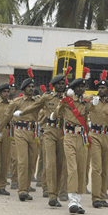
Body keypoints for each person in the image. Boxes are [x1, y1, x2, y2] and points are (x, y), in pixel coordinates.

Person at [18, 69, 69, 207]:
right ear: (54, 85)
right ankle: (52, 195)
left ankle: (58, 192)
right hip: (49, 131)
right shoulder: (47, 98)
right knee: (50, 163)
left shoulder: (69, 98)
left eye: (63, 83)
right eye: (58, 84)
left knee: (61, 164)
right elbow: (35, 107)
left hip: (63, 132)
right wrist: (22, 113)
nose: (61, 86)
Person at [0, 69, 41, 202]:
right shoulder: (17, 102)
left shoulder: (37, 101)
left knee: (32, 162)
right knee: (23, 161)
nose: (31, 88)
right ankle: (22, 190)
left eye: (33, 86)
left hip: (33, 133)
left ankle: (26, 189)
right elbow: (7, 116)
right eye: (29, 87)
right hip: (20, 131)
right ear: (24, 89)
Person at [54, 68, 92, 214]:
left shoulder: (86, 101)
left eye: (83, 86)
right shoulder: (67, 101)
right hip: (69, 136)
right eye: (78, 87)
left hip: (82, 138)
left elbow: (93, 105)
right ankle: (72, 201)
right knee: (73, 169)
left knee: (82, 169)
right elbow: (55, 115)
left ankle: (78, 201)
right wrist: (64, 101)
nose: (81, 89)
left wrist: (94, 101)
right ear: (73, 89)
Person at [87, 70, 108, 209]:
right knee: (97, 168)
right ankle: (96, 197)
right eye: (99, 87)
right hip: (94, 135)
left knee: (105, 168)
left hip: (107, 136)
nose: (100, 90)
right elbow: (84, 104)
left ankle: (103, 196)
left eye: (103, 88)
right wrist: (92, 103)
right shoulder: (93, 100)